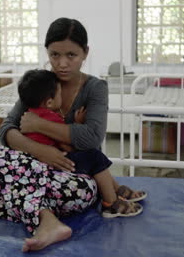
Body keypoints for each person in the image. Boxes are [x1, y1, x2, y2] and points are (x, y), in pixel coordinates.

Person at [0, 18, 146, 252]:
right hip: (41, 174)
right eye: (54, 55)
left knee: (22, 178)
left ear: (85, 53)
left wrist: (38, 125)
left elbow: (90, 138)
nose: (62, 63)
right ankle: (43, 219)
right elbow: (6, 129)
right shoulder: (40, 82)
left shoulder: (95, 88)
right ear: (47, 53)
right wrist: (41, 150)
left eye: (71, 55)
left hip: (75, 181)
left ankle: (5, 203)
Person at [17, 68, 145, 217]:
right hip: (56, 165)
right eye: (59, 93)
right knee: (94, 157)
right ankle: (110, 203)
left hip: (38, 166)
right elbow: (66, 146)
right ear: (50, 101)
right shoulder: (50, 118)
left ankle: (117, 189)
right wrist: (78, 129)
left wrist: (73, 123)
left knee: (92, 158)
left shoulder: (29, 114)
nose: (62, 96)